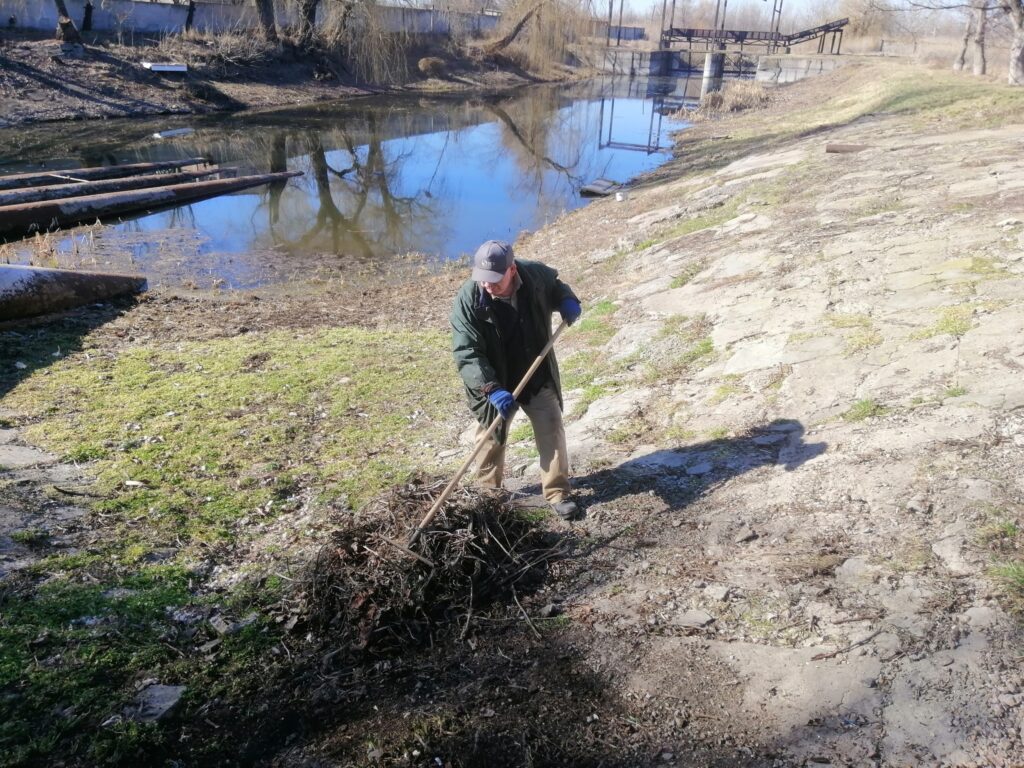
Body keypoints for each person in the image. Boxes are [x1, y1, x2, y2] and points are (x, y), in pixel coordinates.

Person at [450, 239, 583, 519]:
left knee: (551, 427)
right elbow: (467, 351)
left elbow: (555, 285)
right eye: (483, 279)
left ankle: (557, 493)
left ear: (512, 269)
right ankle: (489, 496)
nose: (488, 285)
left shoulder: (534, 275)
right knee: (490, 437)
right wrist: (491, 388)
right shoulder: (468, 299)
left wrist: (566, 300)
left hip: (534, 369)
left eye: (495, 280)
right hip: (495, 379)